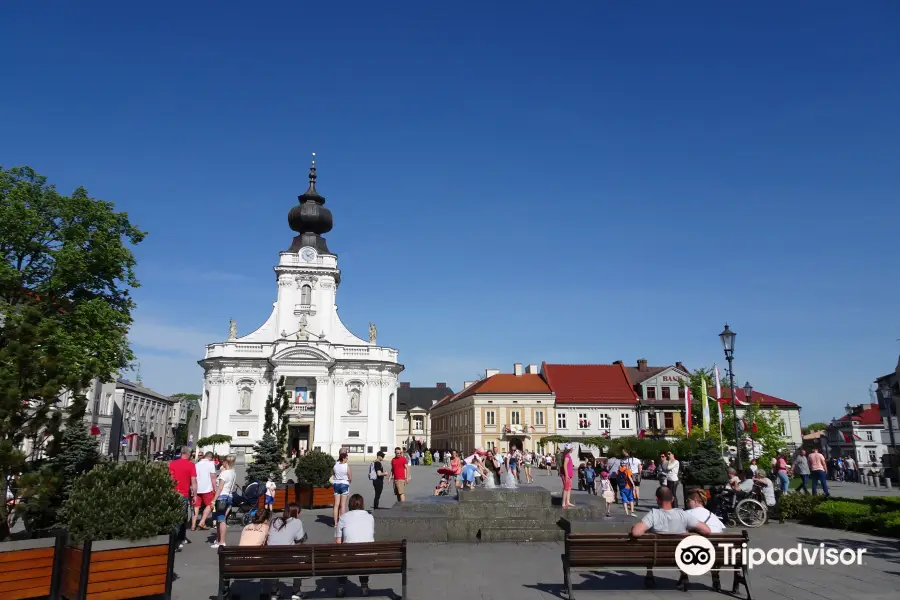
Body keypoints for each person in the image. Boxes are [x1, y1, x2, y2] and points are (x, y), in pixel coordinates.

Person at [631, 486, 711, 590]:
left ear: (657, 499)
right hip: (680, 555)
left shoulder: (653, 514)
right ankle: (684, 575)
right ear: (672, 499)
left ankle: (650, 574)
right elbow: (707, 530)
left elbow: (636, 532)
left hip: (656, 555)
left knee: (649, 539)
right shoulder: (682, 514)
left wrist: (636, 526)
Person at [335, 494, 376, 598]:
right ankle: (364, 586)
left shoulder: (343, 518)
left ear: (350, 504)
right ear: (362, 504)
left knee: (341, 555)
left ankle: (341, 586)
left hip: (350, 556)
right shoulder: (369, 517)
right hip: (368, 556)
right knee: (364, 553)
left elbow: (338, 542)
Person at [267, 503, 307, 600]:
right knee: (300, 557)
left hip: (270, 559)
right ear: (297, 512)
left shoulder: (274, 521)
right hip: (288, 560)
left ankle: (274, 591)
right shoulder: (297, 522)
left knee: (275, 557)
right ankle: (296, 591)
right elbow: (299, 541)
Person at [168, 447, 197, 550]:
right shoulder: (191, 466)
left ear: (181, 453)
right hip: (184, 495)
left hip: (172, 494)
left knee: (173, 517)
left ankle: (175, 539)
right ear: (189, 455)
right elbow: (193, 482)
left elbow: (170, 478)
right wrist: (195, 495)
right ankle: (176, 541)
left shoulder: (172, 464)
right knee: (181, 519)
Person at [211, 454, 237, 549]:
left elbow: (220, 488)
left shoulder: (224, 473)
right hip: (229, 497)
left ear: (226, 462)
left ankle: (221, 542)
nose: (222, 463)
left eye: (223, 461)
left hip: (221, 497)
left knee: (221, 520)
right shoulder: (233, 472)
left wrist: (213, 500)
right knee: (221, 520)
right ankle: (219, 540)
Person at [192, 451, 217, 531]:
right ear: (211, 457)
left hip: (197, 488)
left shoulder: (197, 464)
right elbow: (213, 477)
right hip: (207, 488)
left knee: (196, 507)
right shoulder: (210, 464)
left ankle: (193, 525)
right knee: (210, 505)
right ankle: (202, 522)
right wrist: (215, 488)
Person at [332, 450, 352, 528]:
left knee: (336, 505)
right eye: (346, 458)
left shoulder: (335, 465)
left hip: (336, 484)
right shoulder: (346, 466)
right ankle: (342, 522)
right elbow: (350, 476)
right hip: (344, 484)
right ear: (343, 458)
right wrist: (349, 480)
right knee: (342, 505)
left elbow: (333, 474)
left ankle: (335, 523)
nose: (347, 460)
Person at [560, 443, 575, 508]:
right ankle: (563, 503)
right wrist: (566, 475)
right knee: (566, 488)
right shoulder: (566, 456)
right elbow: (565, 466)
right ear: (569, 449)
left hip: (569, 475)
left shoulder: (567, 455)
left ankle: (567, 501)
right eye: (571, 448)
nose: (572, 449)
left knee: (569, 488)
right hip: (567, 475)